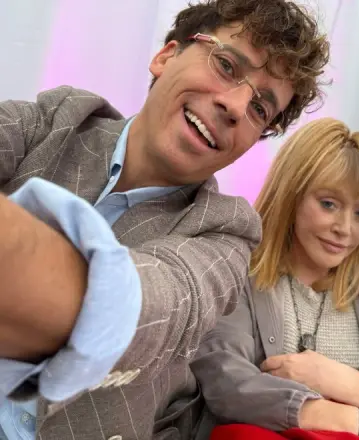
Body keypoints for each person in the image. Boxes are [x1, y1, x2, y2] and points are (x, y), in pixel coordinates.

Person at [0, 1, 328, 439]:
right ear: (166, 56)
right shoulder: (57, 119)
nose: (235, 105)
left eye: (260, 109)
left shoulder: (227, 231)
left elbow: (158, 305)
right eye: (227, 66)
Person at [191, 118, 359, 440]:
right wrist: (343, 418)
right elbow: (223, 379)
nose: (345, 229)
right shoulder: (235, 269)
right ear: (291, 195)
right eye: (329, 204)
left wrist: (349, 382)